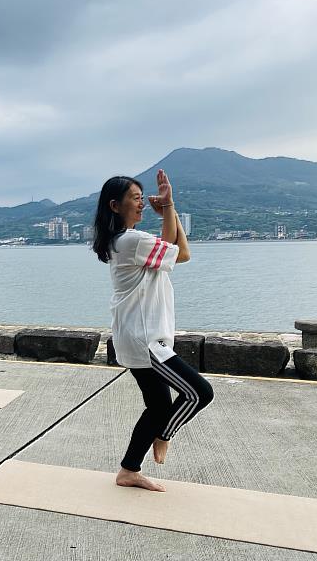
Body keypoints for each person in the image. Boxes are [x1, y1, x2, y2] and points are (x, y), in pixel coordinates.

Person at [92, 170, 214, 491]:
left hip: (134, 337)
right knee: (199, 393)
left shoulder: (124, 241)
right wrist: (170, 208)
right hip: (147, 341)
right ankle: (164, 436)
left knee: (159, 407)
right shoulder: (132, 241)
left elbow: (179, 253)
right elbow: (181, 251)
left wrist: (169, 210)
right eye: (135, 198)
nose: (142, 203)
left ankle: (129, 470)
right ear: (115, 206)